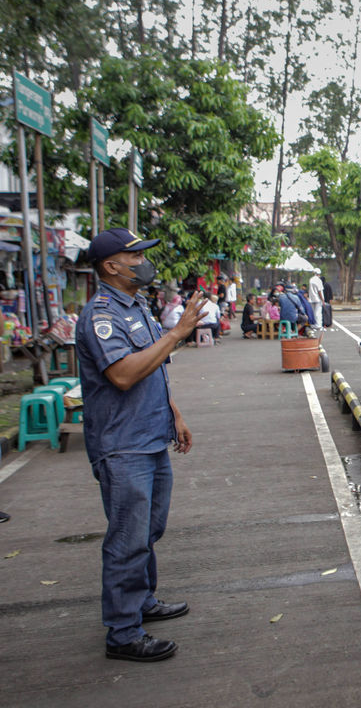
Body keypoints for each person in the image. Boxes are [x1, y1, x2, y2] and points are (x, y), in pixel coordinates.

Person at [74, 227, 207, 663]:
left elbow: (154, 369)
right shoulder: (101, 314)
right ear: (111, 265)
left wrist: (175, 413)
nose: (143, 263)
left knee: (149, 530)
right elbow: (125, 374)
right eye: (135, 256)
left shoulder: (138, 308)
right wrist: (178, 333)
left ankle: (142, 601)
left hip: (151, 435)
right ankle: (123, 632)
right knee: (127, 539)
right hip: (123, 443)